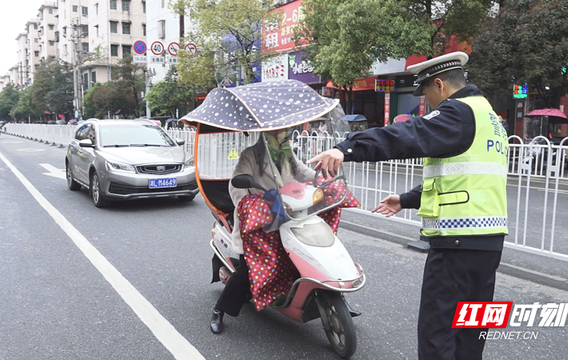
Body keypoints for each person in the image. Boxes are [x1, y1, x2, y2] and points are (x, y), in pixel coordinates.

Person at [309, 52, 508, 360]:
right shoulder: (490, 118)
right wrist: (405, 200)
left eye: (426, 92)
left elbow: (408, 134)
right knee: (470, 337)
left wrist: (348, 146)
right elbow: (465, 176)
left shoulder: (458, 112)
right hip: (488, 247)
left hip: (456, 248)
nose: (425, 102)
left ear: (440, 84)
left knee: (438, 336)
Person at [210, 128, 316, 334]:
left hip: (288, 215)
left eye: (283, 131)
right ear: (266, 133)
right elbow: (236, 186)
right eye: (276, 132)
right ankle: (219, 310)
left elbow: (301, 171)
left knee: (307, 253)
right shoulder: (250, 156)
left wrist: (320, 176)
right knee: (248, 271)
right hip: (259, 223)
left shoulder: (286, 152)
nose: (281, 134)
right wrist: (251, 206)